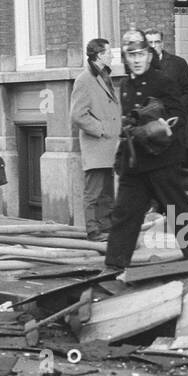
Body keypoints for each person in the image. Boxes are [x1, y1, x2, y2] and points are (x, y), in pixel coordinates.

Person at [103, 30, 188, 274]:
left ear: (149, 56)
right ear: (126, 58)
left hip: (163, 160)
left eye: (141, 54)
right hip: (135, 162)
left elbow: (178, 115)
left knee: (177, 210)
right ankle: (114, 266)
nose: (137, 59)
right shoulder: (126, 85)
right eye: (132, 55)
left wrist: (155, 127)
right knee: (124, 213)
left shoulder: (164, 82)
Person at [70, 38, 120, 241]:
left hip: (108, 145)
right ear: (99, 55)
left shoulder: (104, 75)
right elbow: (77, 115)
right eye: (109, 52)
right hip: (97, 144)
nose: (112, 55)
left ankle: (106, 226)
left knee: (106, 190)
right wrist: (101, 129)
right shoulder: (84, 79)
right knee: (93, 191)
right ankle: (92, 230)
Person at [145, 26, 188, 149]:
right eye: (150, 43)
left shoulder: (177, 63)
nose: (154, 46)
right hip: (150, 126)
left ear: (162, 44)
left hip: (174, 123)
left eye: (157, 42)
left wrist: (177, 112)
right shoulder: (141, 68)